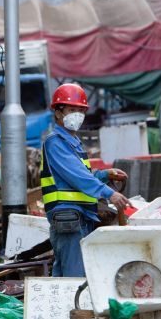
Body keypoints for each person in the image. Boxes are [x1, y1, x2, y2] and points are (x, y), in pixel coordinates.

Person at [40, 83, 130, 277]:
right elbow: (77, 177)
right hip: (69, 218)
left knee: (68, 275)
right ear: (57, 112)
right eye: (72, 109)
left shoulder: (72, 143)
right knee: (74, 277)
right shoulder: (55, 141)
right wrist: (109, 193)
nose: (77, 115)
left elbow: (82, 176)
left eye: (81, 110)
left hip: (80, 217)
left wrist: (106, 175)